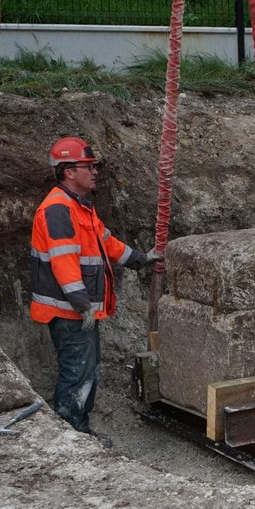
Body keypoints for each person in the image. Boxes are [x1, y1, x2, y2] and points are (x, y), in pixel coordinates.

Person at [29, 136, 161, 434]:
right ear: (68, 171)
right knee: (77, 373)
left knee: (85, 370)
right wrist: (83, 305)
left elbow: (107, 244)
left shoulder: (79, 208)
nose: (94, 171)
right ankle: (72, 433)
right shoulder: (58, 210)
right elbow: (64, 262)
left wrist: (142, 258)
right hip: (70, 312)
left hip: (77, 310)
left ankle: (76, 429)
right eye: (87, 166)